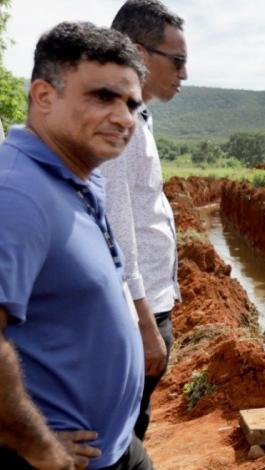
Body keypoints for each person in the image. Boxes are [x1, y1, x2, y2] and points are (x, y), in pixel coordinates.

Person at [0, 22, 151, 469]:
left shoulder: (79, 178)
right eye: (103, 97)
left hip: (115, 447)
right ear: (44, 96)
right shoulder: (16, 193)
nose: (124, 118)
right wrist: (40, 447)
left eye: (131, 104)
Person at [104, 0, 187, 441]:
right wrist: (143, 323)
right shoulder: (119, 123)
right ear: (138, 53)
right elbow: (115, 230)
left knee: (131, 428)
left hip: (145, 307)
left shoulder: (137, 117)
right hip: (135, 313)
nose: (184, 74)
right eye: (176, 61)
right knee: (121, 437)